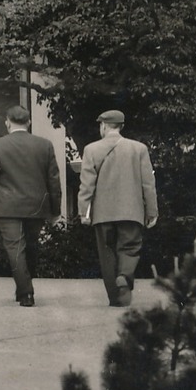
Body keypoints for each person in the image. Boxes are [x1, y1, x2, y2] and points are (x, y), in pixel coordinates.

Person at [76, 109, 159, 307]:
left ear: (104, 126)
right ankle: (125, 276)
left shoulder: (91, 149)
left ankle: (115, 297)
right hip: (131, 211)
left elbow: (87, 185)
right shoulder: (139, 149)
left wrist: (84, 211)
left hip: (103, 213)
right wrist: (152, 211)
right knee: (129, 248)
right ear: (121, 126)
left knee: (107, 252)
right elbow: (148, 183)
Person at [0, 104, 62, 307]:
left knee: (15, 248)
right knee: (32, 247)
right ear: (29, 122)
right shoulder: (44, 145)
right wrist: (55, 210)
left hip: (7, 206)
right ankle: (25, 287)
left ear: (7, 122)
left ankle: (25, 292)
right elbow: (54, 181)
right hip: (37, 206)